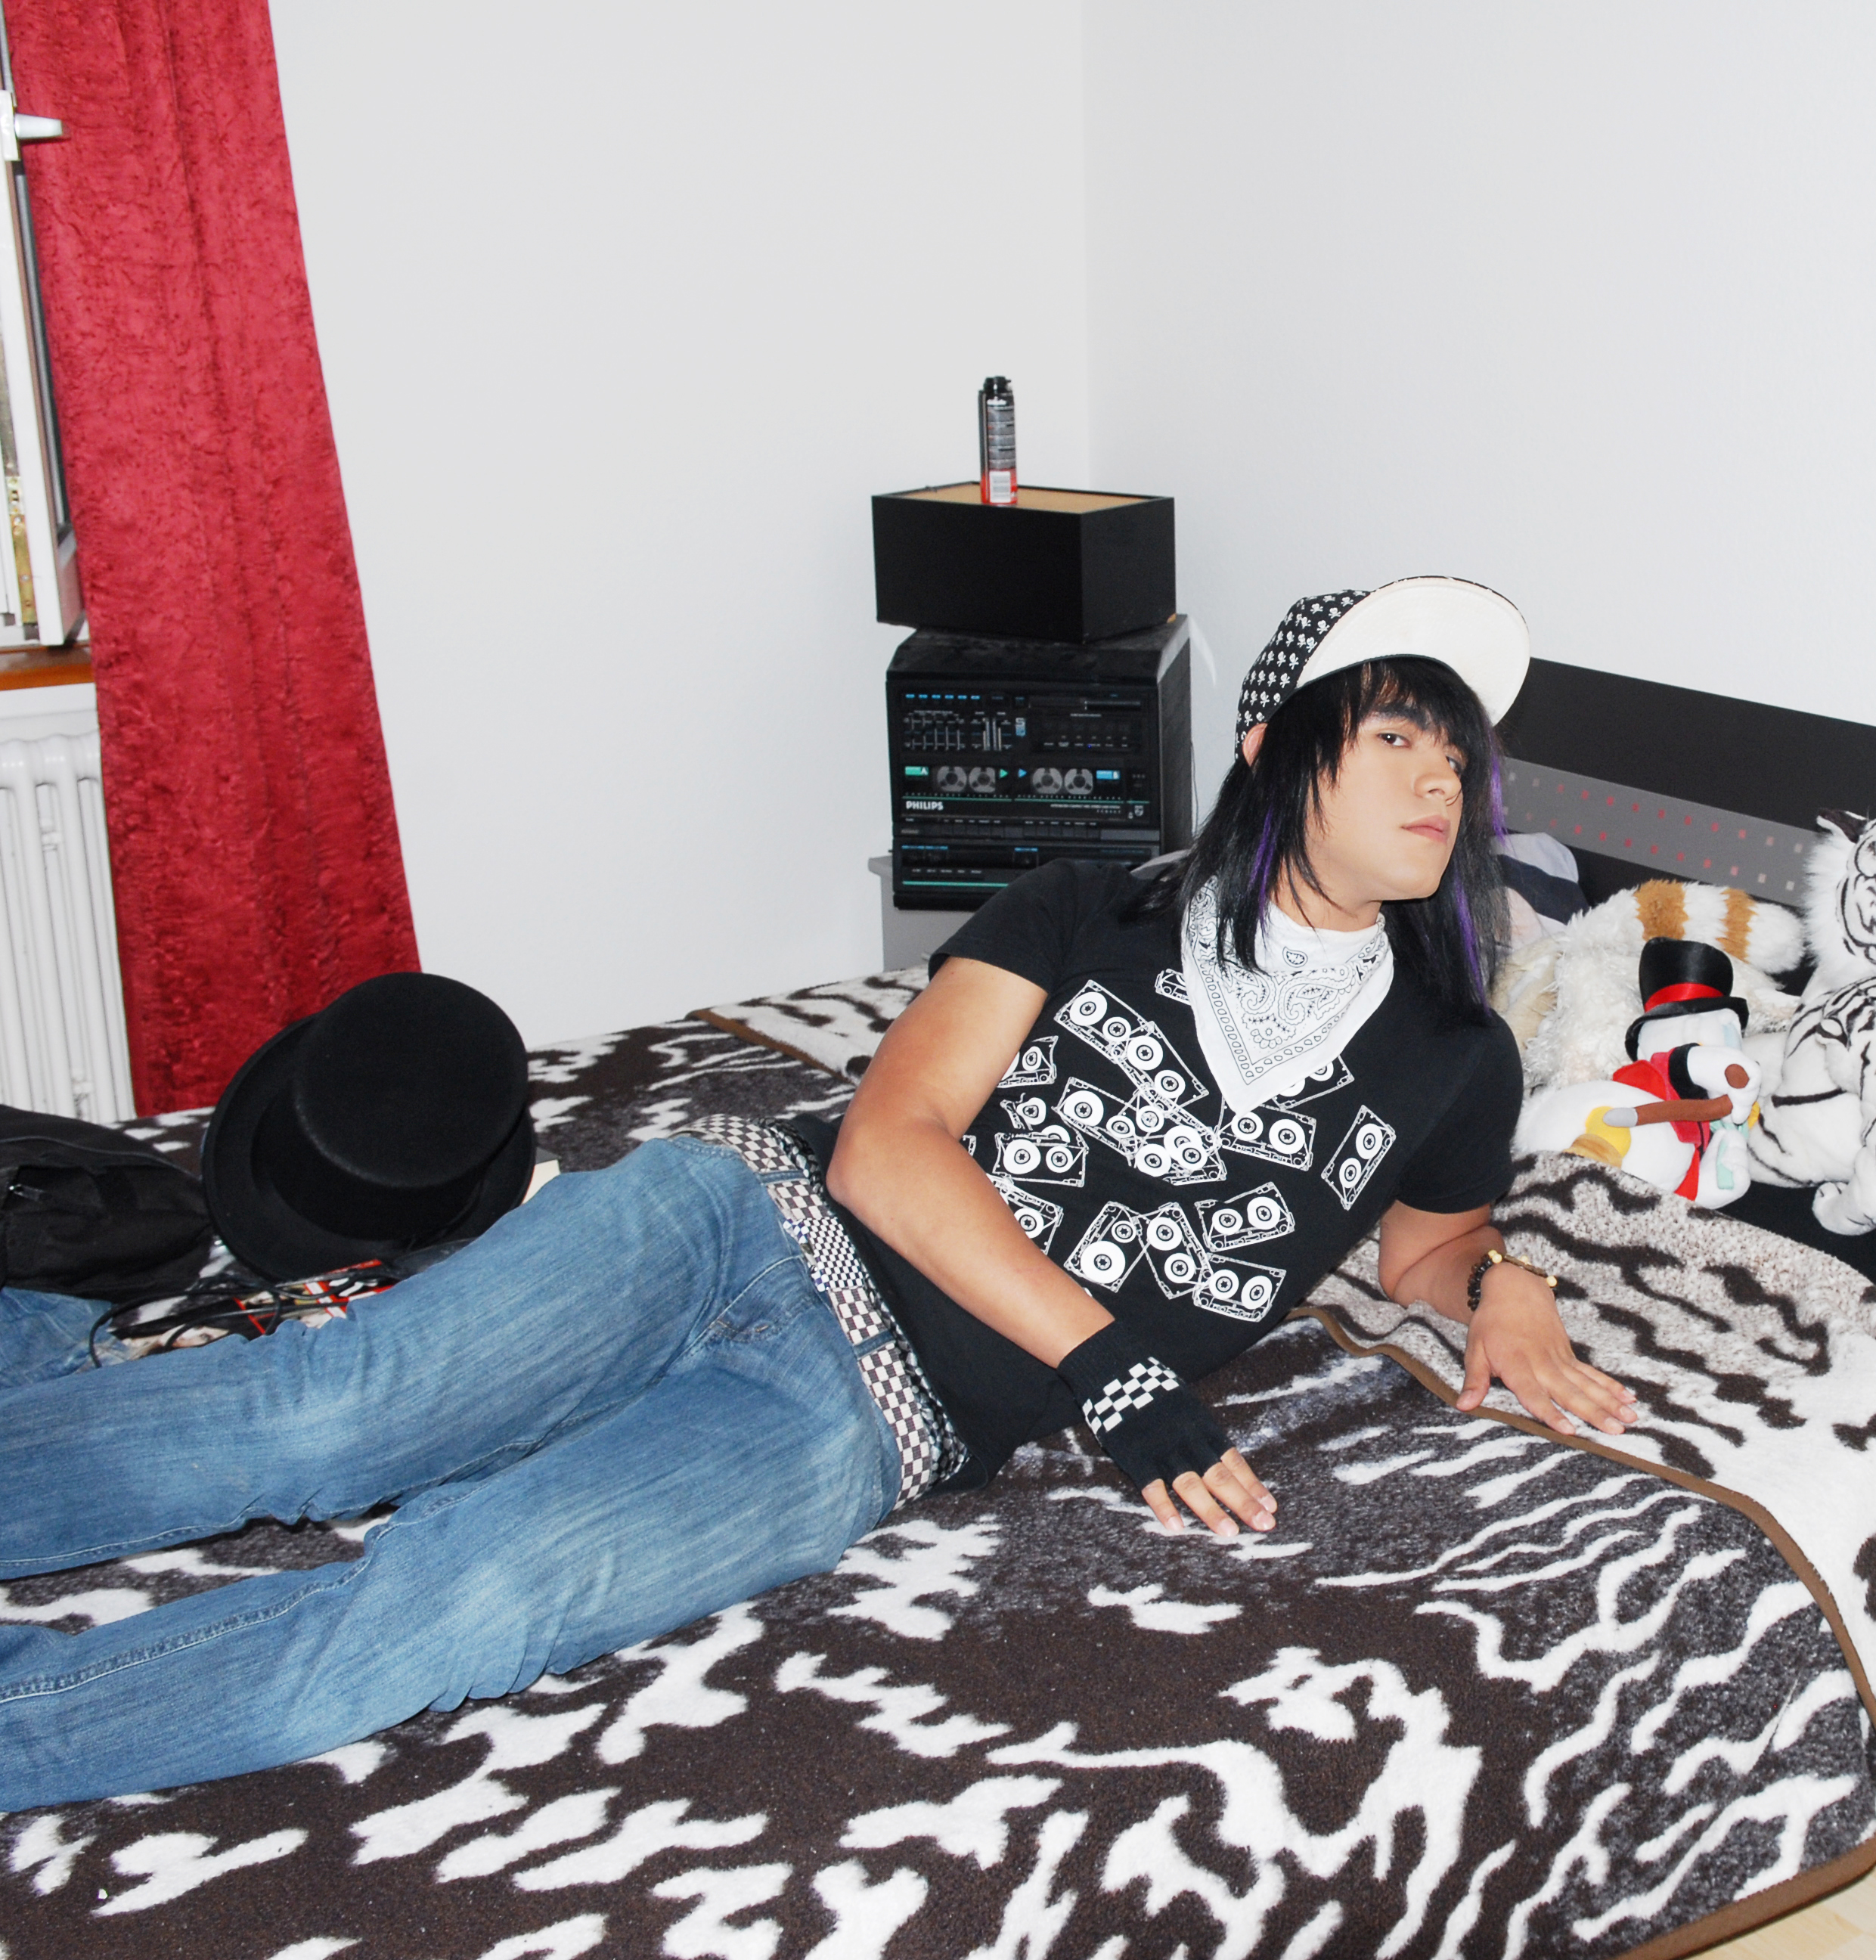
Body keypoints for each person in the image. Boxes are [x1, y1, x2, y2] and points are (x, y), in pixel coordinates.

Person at [0, 578, 1632, 1811]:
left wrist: (1504, 1287)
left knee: (471, 1605)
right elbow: (889, 1140)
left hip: (867, 1420)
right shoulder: (1088, 906)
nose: (1439, 782)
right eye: (1396, 734)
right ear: (1273, 750)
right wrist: (1117, 1370)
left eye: (1457, 755)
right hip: (738, 1225)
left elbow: (1428, 1246)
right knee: (329, 1416)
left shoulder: (1455, 1055)